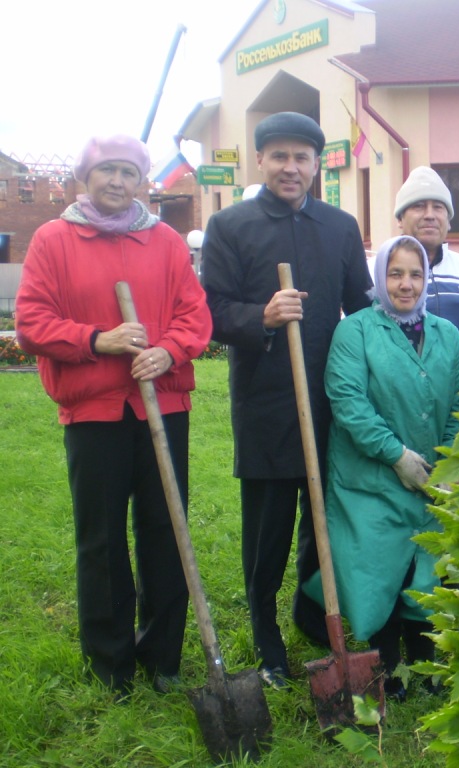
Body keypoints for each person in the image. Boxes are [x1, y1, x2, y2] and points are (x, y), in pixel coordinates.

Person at [15, 134, 212, 696]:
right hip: (94, 411)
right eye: (106, 170)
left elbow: (194, 316)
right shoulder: (56, 239)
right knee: (101, 539)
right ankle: (110, 665)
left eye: (128, 171)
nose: (117, 181)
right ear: (85, 177)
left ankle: (162, 659)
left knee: (165, 530)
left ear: (143, 181)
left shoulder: (166, 241)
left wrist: (167, 351)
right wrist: (96, 339)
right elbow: (31, 322)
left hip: (163, 407)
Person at [201, 111, 373, 688]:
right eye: (279, 156)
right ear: (260, 161)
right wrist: (263, 316)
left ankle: (310, 619)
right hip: (267, 404)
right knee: (268, 531)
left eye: (302, 157)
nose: (291, 167)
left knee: (320, 521)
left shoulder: (340, 227)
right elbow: (211, 312)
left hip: (328, 402)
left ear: (317, 163)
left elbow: (363, 308)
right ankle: (266, 640)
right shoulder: (232, 227)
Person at [301, 235, 459, 700]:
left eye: (415, 274)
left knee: (427, 568)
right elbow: (348, 402)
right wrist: (395, 455)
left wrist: (445, 464)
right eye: (395, 273)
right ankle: (387, 666)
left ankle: (424, 664)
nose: (406, 284)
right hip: (371, 477)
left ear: (427, 278)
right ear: (379, 278)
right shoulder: (355, 331)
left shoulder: (447, 334)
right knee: (379, 569)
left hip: (432, 478)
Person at [389, 166, 459, 349]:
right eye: (418, 206)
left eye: (438, 207)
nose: (429, 215)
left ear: (449, 220)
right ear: (400, 219)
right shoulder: (375, 273)